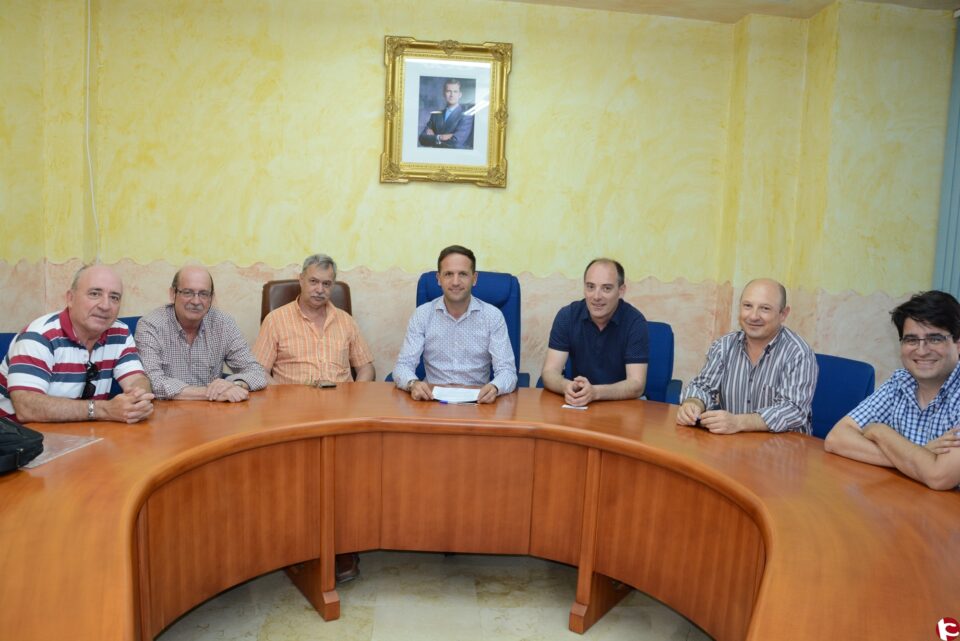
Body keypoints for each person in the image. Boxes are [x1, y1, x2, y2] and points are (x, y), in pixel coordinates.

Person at [824, 290, 960, 490]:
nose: (922, 350)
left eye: (935, 339)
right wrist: (919, 456)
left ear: (957, 344)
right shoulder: (900, 382)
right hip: (905, 502)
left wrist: (880, 431)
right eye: (911, 340)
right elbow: (836, 439)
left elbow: (938, 477)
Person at [0, 264, 154, 424]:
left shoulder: (119, 332)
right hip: (15, 438)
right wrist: (105, 409)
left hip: (80, 433)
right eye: (95, 294)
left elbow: (137, 379)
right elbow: (27, 408)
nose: (105, 306)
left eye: (114, 297)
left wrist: (138, 398)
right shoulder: (39, 336)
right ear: (70, 298)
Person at [676, 278, 817, 434]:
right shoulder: (724, 346)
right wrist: (693, 404)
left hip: (783, 449)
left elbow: (793, 410)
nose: (753, 316)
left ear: (783, 314)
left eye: (765, 308)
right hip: (733, 443)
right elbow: (703, 387)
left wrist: (739, 422)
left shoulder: (798, 353)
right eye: (748, 306)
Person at [393, 245, 517, 403]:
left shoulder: (492, 316)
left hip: (478, 402)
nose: (456, 282)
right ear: (439, 279)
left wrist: (494, 387)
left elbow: (507, 371)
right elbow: (402, 366)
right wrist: (413, 384)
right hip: (432, 401)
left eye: (463, 274)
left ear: (474, 278)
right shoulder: (422, 315)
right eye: (449, 274)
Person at [135, 265, 267, 402]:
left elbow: (256, 372)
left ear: (211, 298)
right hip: (168, 415)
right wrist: (211, 393)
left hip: (212, 415)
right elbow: (152, 382)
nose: (196, 301)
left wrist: (234, 385)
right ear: (173, 294)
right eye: (187, 292)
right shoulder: (151, 325)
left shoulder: (223, 323)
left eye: (203, 294)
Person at [254, 254, 375, 385]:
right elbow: (258, 370)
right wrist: (281, 398)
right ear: (301, 280)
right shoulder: (275, 320)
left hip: (341, 402)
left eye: (326, 284)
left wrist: (356, 394)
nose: (319, 290)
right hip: (292, 402)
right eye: (313, 281)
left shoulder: (347, 321)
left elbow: (366, 368)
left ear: (332, 286)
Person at [541, 258, 648, 406]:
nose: (596, 296)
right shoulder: (567, 316)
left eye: (606, 288)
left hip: (623, 405)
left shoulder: (635, 323)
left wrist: (596, 392)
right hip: (580, 402)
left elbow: (636, 385)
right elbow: (549, 372)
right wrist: (566, 386)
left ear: (621, 291)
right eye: (590, 287)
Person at [417, 78, 474, 149]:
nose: (452, 95)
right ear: (444, 94)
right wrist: (441, 137)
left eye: (455, 91)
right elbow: (422, 139)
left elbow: (456, 142)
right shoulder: (435, 115)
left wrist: (434, 137)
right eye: (448, 91)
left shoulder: (466, 116)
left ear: (460, 95)